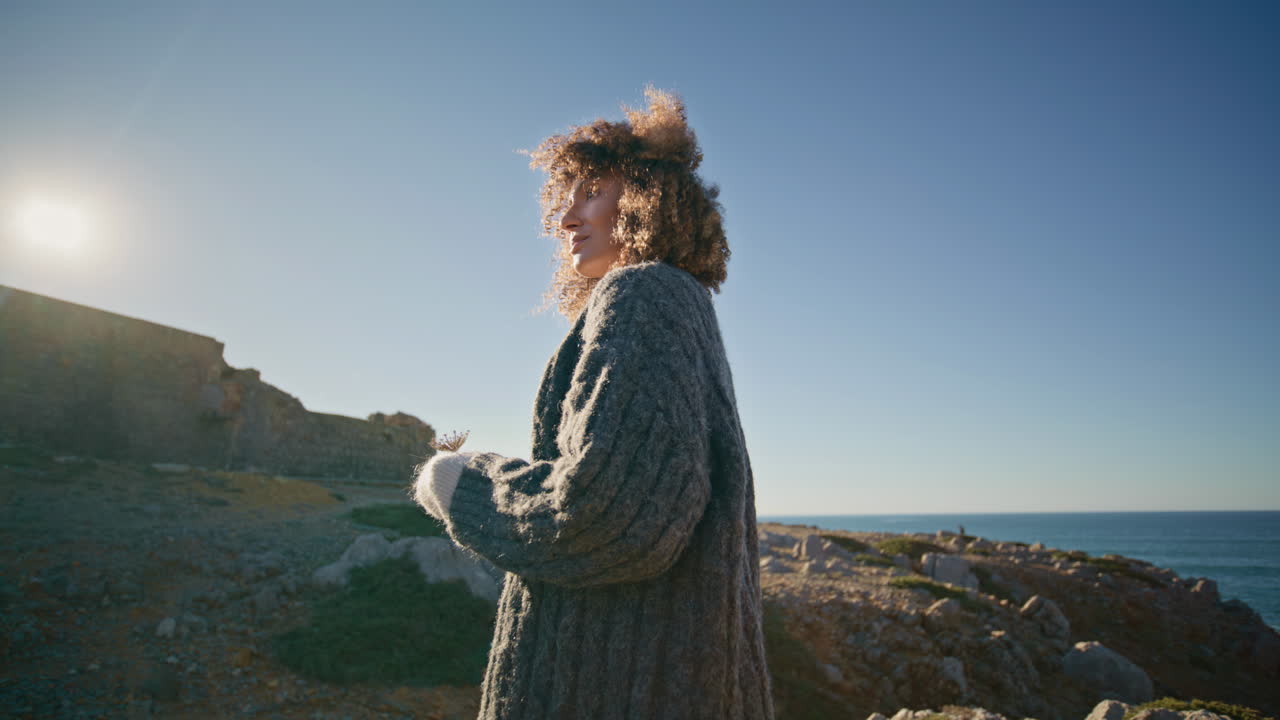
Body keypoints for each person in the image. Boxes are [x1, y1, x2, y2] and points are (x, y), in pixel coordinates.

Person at [411, 86, 775, 720]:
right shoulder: (679, 305)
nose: (567, 218)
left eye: (592, 193)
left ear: (644, 198)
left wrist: (463, 485)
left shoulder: (644, 294)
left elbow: (613, 516)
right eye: (565, 198)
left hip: (609, 688)